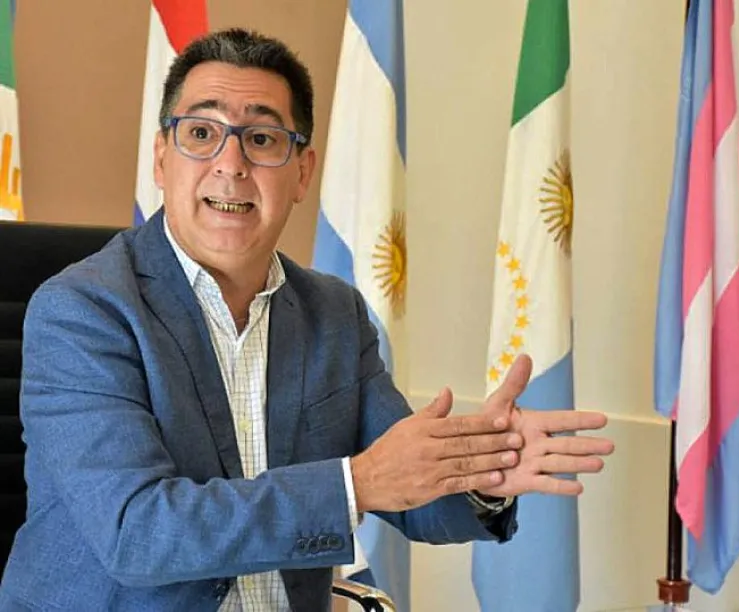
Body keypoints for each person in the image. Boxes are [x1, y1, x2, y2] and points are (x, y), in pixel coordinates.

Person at [0, 28, 614, 612]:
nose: (231, 163)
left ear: (302, 172)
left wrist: (481, 470)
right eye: (201, 133)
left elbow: (406, 488)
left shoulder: (334, 314)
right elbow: (139, 533)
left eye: (262, 139)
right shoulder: (83, 311)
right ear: (161, 159)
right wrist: (356, 484)